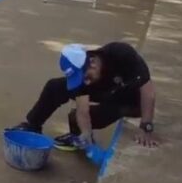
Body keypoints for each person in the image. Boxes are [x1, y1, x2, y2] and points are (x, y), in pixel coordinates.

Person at [9, 42, 160, 151]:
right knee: (55, 87)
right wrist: (86, 133)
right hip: (106, 92)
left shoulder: (121, 54)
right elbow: (83, 110)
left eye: (87, 77)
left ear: (92, 62)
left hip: (130, 99)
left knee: (85, 116)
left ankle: (78, 134)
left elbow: (148, 92)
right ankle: (33, 126)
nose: (86, 82)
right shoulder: (83, 76)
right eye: (82, 79)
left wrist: (146, 128)